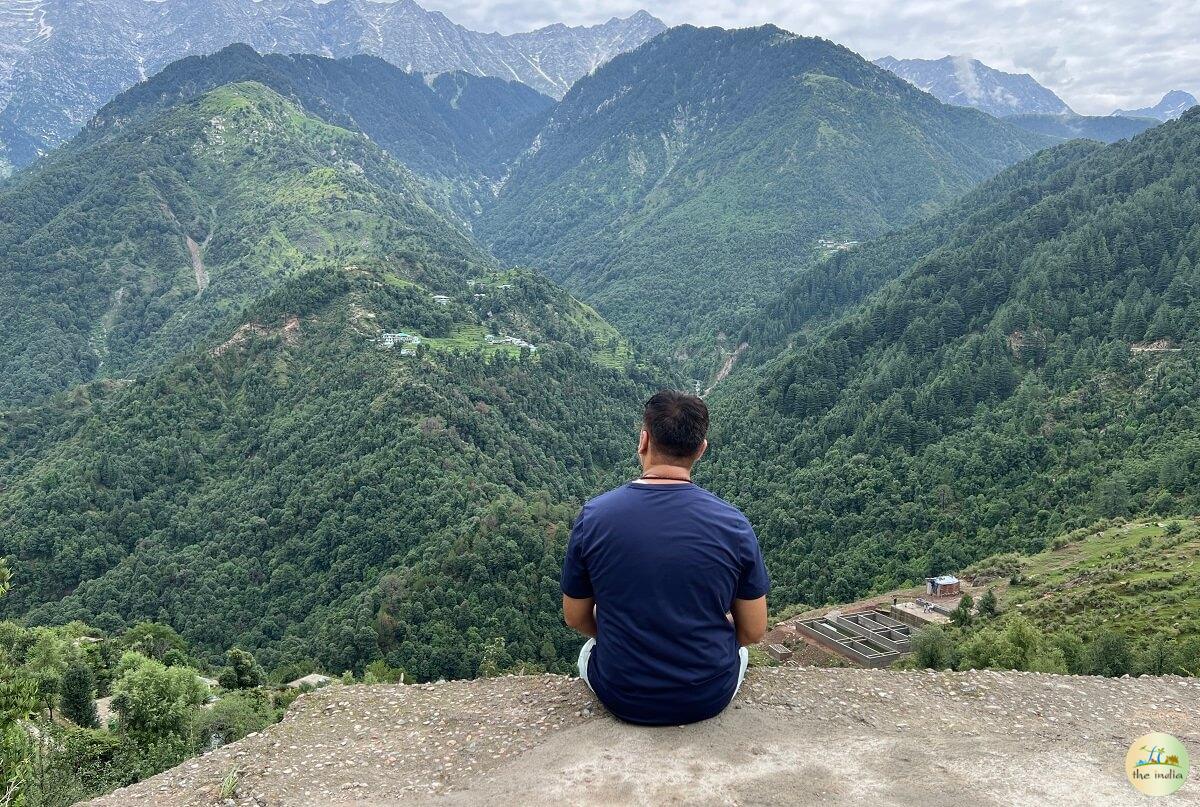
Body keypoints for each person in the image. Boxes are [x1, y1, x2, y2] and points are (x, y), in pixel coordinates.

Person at [560, 389, 770, 726]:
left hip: (622, 694)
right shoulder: (734, 524)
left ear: (643, 440)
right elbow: (754, 631)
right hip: (708, 695)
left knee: (586, 652)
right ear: (701, 450)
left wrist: (625, 629)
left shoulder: (594, 517)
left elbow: (575, 617)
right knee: (739, 651)